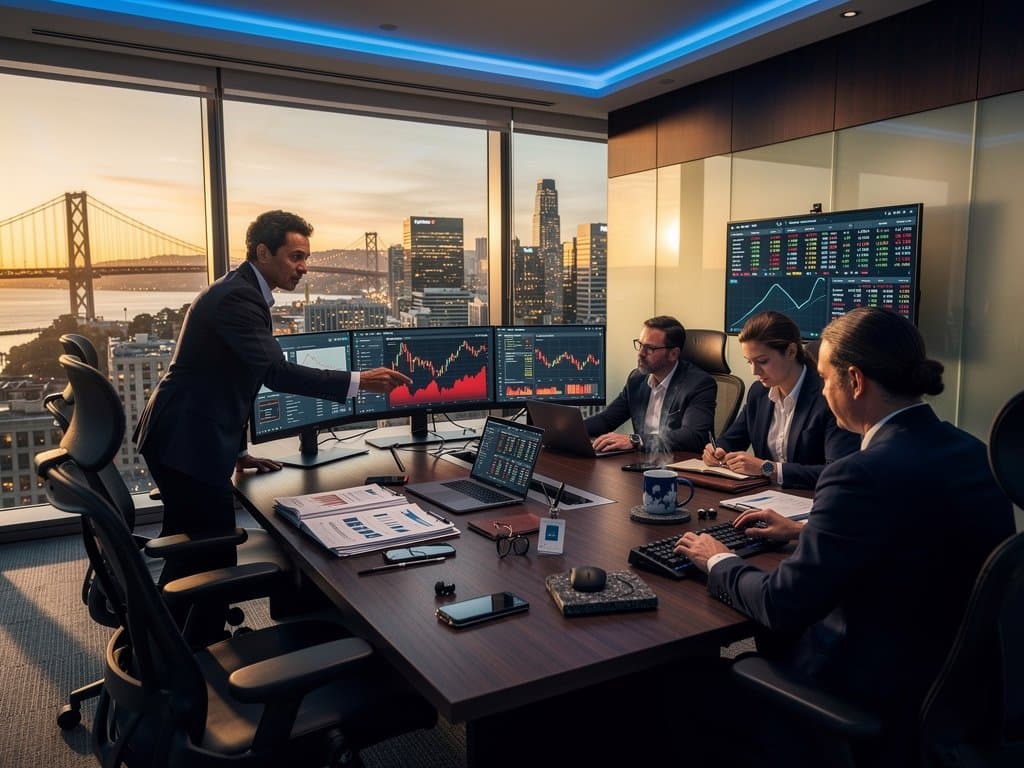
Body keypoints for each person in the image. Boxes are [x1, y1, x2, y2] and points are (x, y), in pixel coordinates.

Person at [674, 307, 1014, 764]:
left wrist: (717, 558)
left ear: (854, 381)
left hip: (861, 694)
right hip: (956, 695)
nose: (823, 390)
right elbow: (912, 545)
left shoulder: (860, 474)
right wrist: (802, 532)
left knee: (680, 687)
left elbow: (780, 604)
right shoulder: (976, 454)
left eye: (825, 378)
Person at [134, 210, 411, 582]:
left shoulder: (241, 291)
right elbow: (275, 373)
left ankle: (170, 632)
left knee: (196, 549)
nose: (305, 267)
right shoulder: (238, 299)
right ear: (263, 253)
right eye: (296, 257)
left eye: (307, 258)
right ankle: (183, 637)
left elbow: (230, 376)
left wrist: (238, 451)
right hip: (187, 441)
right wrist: (360, 381)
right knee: (206, 555)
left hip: (190, 433)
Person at [702, 311, 858, 488]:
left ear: (791, 351)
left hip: (812, 501)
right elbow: (733, 439)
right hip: (766, 498)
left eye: (763, 361)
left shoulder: (828, 396)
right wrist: (717, 451)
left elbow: (837, 472)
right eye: (749, 362)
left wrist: (768, 469)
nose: (755, 371)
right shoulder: (759, 392)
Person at [584, 315, 716, 453]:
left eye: (650, 348)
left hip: (677, 463)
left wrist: (636, 440)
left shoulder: (699, 384)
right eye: (640, 345)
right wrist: (570, 431)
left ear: (673, 354)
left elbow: (693, 436)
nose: (640, 353)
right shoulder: (637, 379)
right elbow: (607, 420)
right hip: (642, 462)